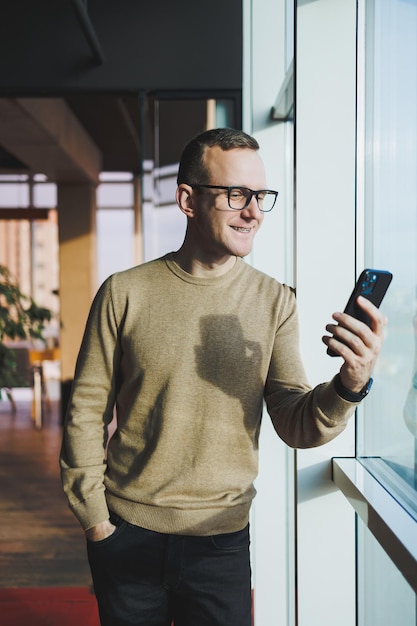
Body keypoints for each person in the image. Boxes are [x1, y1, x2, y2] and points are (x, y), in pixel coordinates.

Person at [59, 128, 386, 626]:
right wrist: (96, 522)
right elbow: (86, 411)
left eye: (260, 196)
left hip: (221, 544)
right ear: (188, 199)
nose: (253, 211)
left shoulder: (275, 301)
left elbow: (295, 423)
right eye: (236, 194)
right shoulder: (124, 293)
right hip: (127, 532)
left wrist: (349, 385)